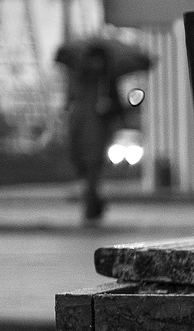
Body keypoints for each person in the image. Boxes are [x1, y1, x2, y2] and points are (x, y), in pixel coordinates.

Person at [55, 37, 153, 222]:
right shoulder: (79, 78)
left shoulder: (108, 82)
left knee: (93, 165)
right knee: (80, 162)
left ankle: (91, 203)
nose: (96, 64)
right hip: (80, 127)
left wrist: (111, 108)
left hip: (98, 130)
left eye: (99, 60)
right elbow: (70, 102)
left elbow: (118, 107)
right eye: (93, 60)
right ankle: (94, 200)